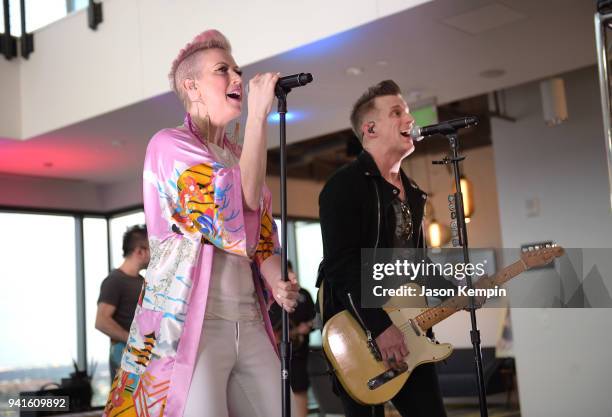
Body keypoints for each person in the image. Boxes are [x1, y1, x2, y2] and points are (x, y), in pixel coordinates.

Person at [102, 29, 299, 417]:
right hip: (196, 326)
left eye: (238, 69)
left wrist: (277, 282)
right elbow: (231, 210)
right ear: (192, 87)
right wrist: (259, 115)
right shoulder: (169, 146)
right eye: (223, 70)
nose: (238, 78)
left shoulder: (241, 155)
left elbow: (261, 241)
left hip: (250, 320)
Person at [318, 80, 447, 417]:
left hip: (409, 329)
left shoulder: (414, 192)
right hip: (360, 331)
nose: (409, 119)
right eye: (397, 112)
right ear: (370, 128)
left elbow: (414, 265)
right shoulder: (344, 186)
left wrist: (456, 289)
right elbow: (341, 265)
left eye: (406, 112)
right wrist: (379, 326)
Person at [96, 225, 150, 384]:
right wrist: (133, 340)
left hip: (140, 355)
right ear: (140, 251)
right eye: (152, 247)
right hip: (124, 354)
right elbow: (101, 321)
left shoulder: (142, 282)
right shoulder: (114, 280)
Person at [269, 261, 316, 417]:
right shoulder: (270, 296)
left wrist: (305, 328)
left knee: (299, 391)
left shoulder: (304, 295)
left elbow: (315, 319)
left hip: (298, 355)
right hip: (273, 355)